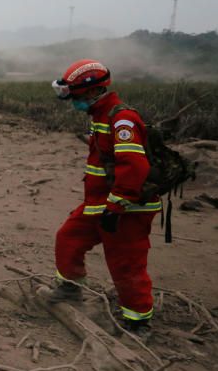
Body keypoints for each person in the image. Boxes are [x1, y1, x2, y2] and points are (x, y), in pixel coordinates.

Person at [50, 59, 161, 338]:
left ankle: (138, 322)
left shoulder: (121, 119)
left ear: (91, 91)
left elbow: (134, 167)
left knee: (126, 263)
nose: (72, 101)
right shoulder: (99, 116)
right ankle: (69, 290)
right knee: (68, 238)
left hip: (127, 208)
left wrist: (116, 206)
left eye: (74, 95)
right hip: (99, 204)